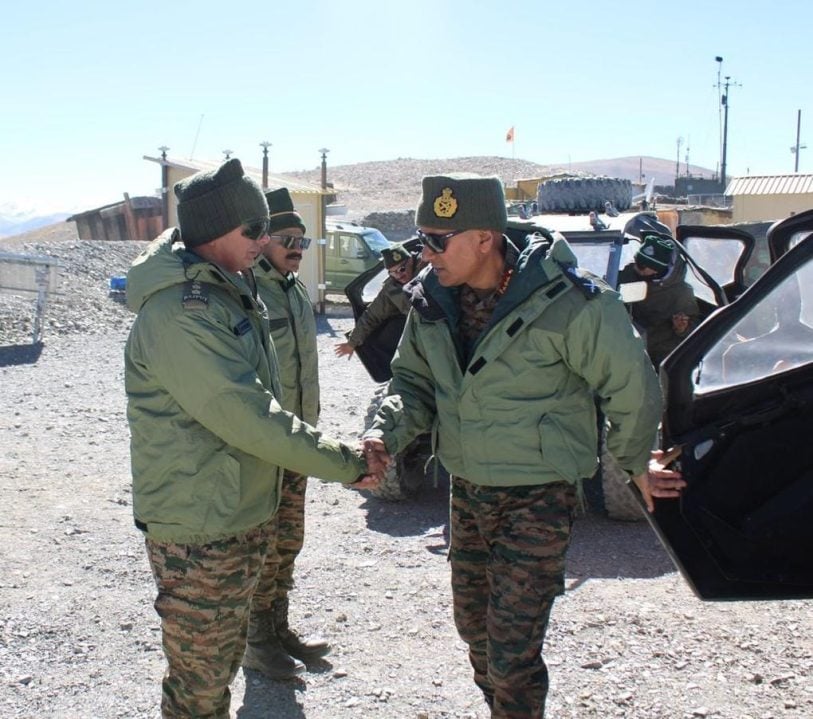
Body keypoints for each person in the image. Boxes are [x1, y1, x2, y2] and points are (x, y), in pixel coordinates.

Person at [361, 172, 685, 718]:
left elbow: (630, 386)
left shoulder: (573, 303)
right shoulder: (431, 303)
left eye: (438, 240)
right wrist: (382, 434)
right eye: (422, 240)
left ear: (484, 238)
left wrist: (634, 463)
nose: (426, 253)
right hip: (467, 491)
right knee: (475, 632)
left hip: (538, 497)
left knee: (512, 650)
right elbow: (412, 384)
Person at [124, 158, 377, 719]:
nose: (267, 243)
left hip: (234, 503)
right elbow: (247, 414)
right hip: (200, 523)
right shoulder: (181, 312)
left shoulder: (225, 290)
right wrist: (348, 462)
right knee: (201, 685)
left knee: (221, 660)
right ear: (216, 231)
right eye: (256, 230)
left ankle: (271, 635)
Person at [245, 187, 328, 679]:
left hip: (298, 440)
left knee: (289, 540)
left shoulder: (294, 289)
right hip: (265, 445)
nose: (297, 248)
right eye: (287, 239)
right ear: (264, 239)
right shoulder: (248, 290)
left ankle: (278, 628)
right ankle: (256, 642)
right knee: (264, 543)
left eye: (303, 240)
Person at [617, 231, 700, 367]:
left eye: (642, 266)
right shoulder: (627, 276)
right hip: (628, 344)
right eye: (637, 261)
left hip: (662, 352)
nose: (636, 267)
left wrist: (682, 327)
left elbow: (696, 329)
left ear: (657, 270)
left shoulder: (680, 292)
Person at [334, 242, 423, 358]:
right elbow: (372, 315)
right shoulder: (391, 289)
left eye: (401, 269)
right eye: (393, 272)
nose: (399, 275)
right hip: (422, 333)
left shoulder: (427, 266)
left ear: (410, 260)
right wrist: (352, 343)